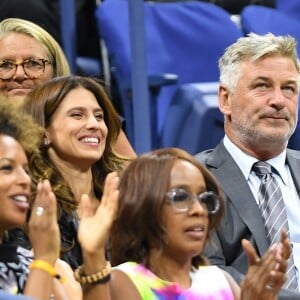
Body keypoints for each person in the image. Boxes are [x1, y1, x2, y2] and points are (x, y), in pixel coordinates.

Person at [76, 147, 289, 299]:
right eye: (180, 197)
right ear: (144, 207)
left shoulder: (220, 280)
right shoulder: (123, 281)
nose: (198, 210)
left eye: (205, 199)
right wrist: (93, 256)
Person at [195, 33, 300, 299]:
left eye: (289, 88)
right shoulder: (193, 178)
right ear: (225, 99)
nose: (278, 100)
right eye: (262, 86)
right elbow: (206, 275)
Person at [18, 75, 128, 270]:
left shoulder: (127, 197)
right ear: (43, 132)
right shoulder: (31, 208)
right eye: (77, 115)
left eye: (99, 116)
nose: (94, 124)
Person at [0, 17, 136, 158]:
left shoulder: (94, 121)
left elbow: (135, 178)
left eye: (34, 64)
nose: (19, 74)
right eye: (5, 65)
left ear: (55, 69)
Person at [0, 99, 78, 299]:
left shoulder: (28, 261)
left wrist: (94, 258)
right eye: (7, 167)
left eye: (26, 170)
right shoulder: (40, 262)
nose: (25, 180)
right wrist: (44, 258)